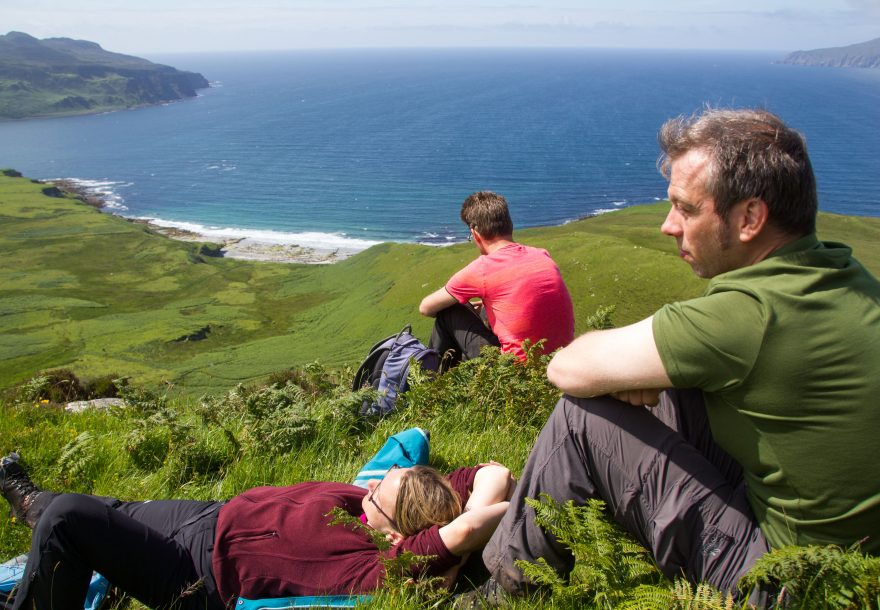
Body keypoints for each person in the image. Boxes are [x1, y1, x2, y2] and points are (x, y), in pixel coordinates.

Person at [481, 109, 880, 602]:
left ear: (750, 218)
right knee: (678, 387)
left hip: (790, 584)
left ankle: (510, 589)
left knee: (583, 416)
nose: (669, 226)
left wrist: (618, 378)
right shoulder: (847, 276)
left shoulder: (747, 317)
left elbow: (566, 367)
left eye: (686, 209)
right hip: (855, 566)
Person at [0, 452, 515, 610]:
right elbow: (494, 473)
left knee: (70, 518)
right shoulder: (362, 505)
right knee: (100, 510)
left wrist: (456, 557)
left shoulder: (377, 565)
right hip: (206, 516)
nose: (374, 483)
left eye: (384, 490)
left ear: (402, 535)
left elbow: (465, 529)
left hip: (195, 575)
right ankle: (25, 499)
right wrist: (448, 493)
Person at [419, 191, 574, 364]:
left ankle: (434, 381)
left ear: (475, 234)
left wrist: (463, 304)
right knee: (485, 308)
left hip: (514, 370)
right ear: (510, 225)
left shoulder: (482, 269)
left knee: (449, 311)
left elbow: (426, 308)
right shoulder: (542, 255)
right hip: (560, 363)